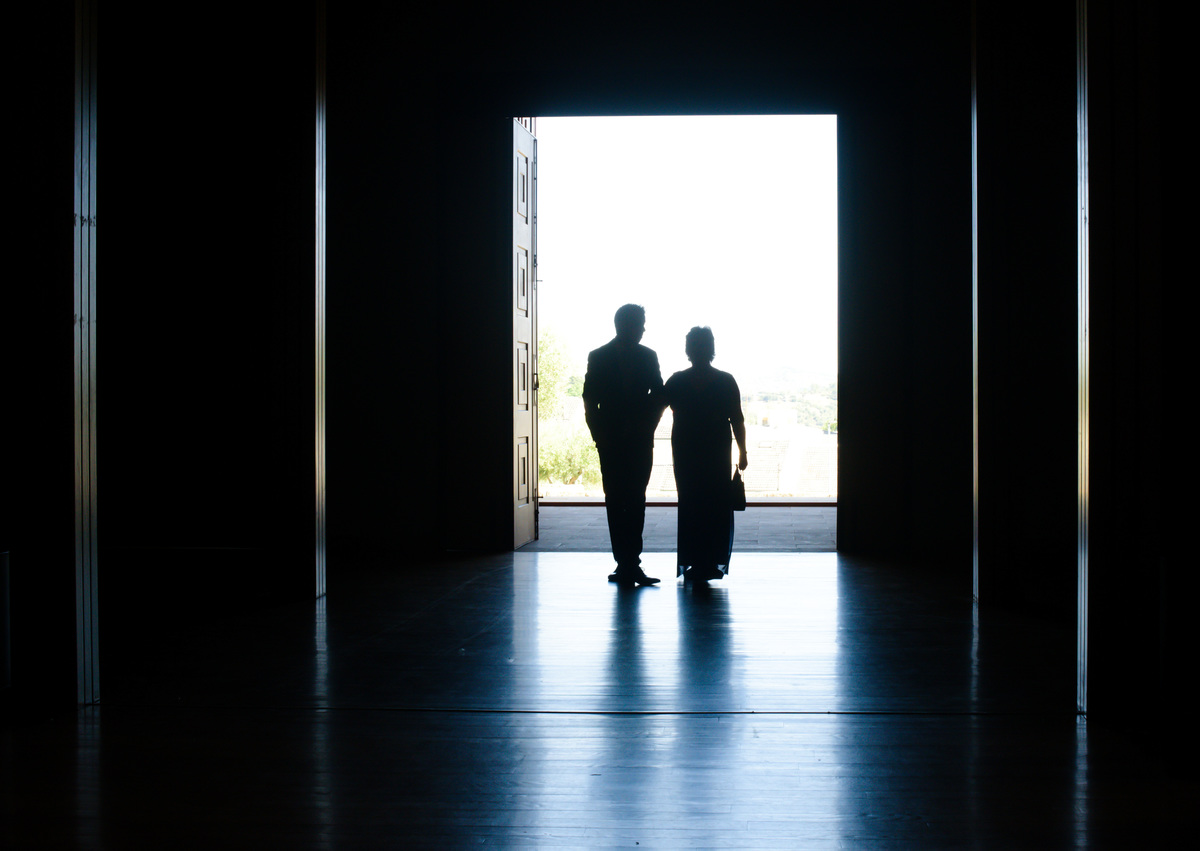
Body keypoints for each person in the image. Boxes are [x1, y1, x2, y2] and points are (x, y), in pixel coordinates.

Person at [583, 304, 667, 586]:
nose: (644, 329)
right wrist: (646, 426)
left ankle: (626, 564)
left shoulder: (600, 357)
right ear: (627, 325)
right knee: (631, 501)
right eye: (641, 323)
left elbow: (589, 400)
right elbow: (659, 396)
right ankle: (629, 563)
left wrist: (600, 433)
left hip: (618, 441)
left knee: (621, 501)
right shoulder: (646, 357)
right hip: (629, 441)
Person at [665, 326, 748, 583]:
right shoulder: (725, 381)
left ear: (688, 349)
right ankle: (711, 560)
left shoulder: (677, 380)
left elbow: (653, 409)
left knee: (690, 504)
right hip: (716, 451)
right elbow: (737, 419)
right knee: (715, 505)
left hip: (686, 450)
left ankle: (694, 559)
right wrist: (742, 451)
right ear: (711, 349)